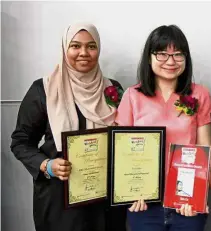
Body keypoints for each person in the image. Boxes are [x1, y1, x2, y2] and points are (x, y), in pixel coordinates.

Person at [10, 23, 127, 231]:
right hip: (60, 200)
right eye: (75, 46)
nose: (84, 53)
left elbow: (123, 137)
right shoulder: (43, 89)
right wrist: (47, 165)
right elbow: (20, 142)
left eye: (91, 46)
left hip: (104, 198)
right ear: (65, 48)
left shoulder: (112, 89)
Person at [115, 24, 211, 231]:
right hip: (143, 203)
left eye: (178, 54)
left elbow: (206, 151)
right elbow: (122, 154)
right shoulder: (133, 96)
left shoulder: (200, 94)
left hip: (187, 202)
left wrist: (196, 196)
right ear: (149, 57)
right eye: (162, 54)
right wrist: (130, 191)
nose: (170, 61)